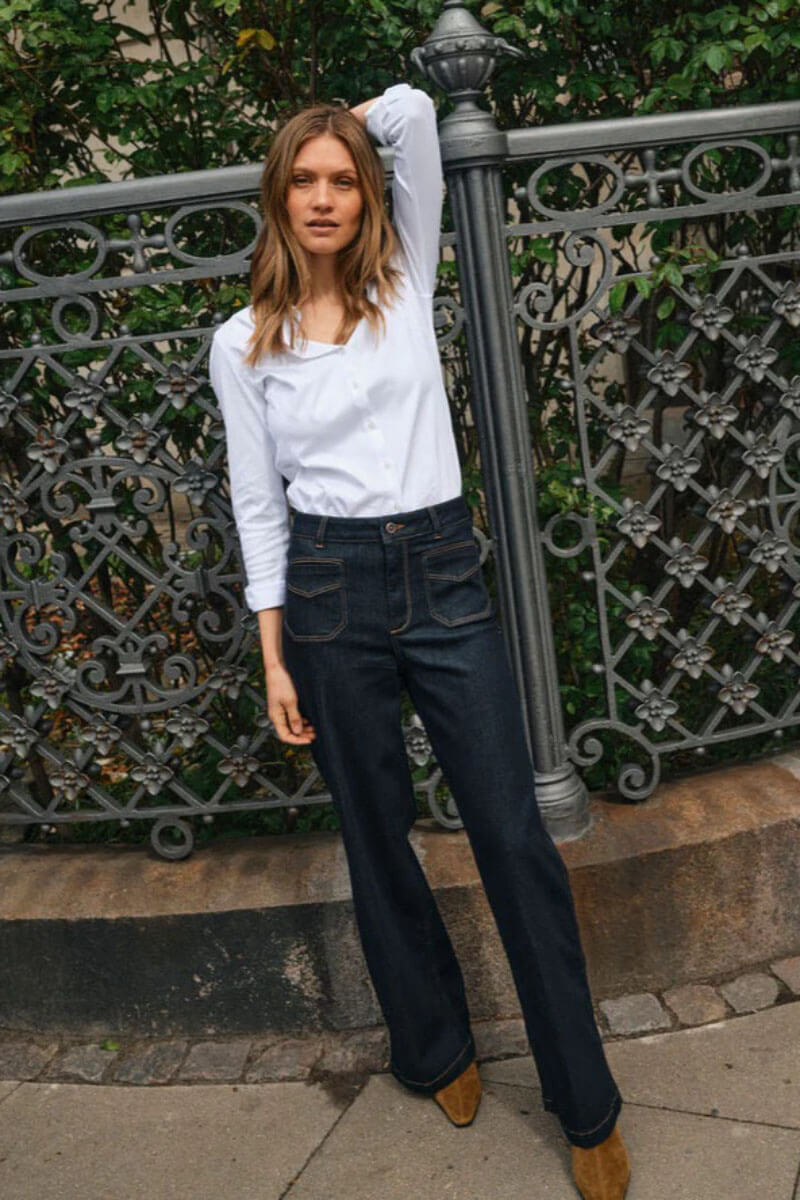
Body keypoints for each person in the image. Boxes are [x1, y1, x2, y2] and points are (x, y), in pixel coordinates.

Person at [208, 80, 631, 1200]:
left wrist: (341, 123)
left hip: (442, 576)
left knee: (511, 833)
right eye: (303, 179)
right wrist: (273, 655)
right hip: (325, 593)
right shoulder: (241, 345)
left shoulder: (403, 282)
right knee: (376, 836)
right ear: (276, 196)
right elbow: (256, 506)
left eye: (343, 181)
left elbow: (410, 110)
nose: (323, 198)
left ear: (366, 197)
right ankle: (435, 1048)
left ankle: (586, 1104)